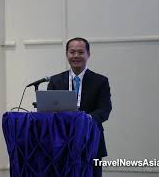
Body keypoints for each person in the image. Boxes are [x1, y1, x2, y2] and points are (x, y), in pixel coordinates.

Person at [47, 37, 112, 177]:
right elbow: (48, 110)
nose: (76, 56)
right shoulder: (55, 81)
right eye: (72, 52)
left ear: (88, 54)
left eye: (81, 52)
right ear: (67, 55)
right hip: (61, 143)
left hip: (91, 141)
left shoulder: (100, 81)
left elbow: (104, 110)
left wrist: (84, 119)